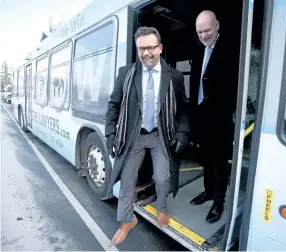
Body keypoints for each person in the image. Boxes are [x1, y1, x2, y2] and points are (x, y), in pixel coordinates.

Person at [105, 26, 190, 245]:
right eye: (141, 48)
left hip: (160, 135)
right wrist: (110, 134)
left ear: (160, 48)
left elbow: (183, 110)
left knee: (162, 178)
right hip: (133, 136)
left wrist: (182, 132)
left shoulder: (175, 77)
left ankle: (161, 207)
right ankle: (126, 221)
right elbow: (114, 105)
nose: (146, 53)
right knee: (126, 182)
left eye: (150, 47)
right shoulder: (126, 73)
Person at [188, 10, 239, 223]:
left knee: (219, 162)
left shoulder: (231, 49)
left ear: (217, 25)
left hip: (220, 118)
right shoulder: (199, 52)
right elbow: (195, 85)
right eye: (199, 31)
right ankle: (208, 191)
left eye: (207, 29)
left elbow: (234, 86)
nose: (203, 35)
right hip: (201, 118)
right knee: (205, 159)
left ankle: (219, 202)